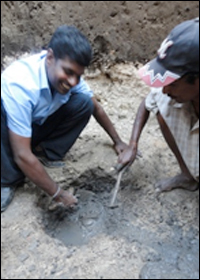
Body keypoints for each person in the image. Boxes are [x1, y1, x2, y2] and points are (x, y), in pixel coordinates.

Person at [1, 25, 128, 212]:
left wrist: (118, 141)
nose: (73, 82)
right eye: (68, 72)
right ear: (50, 57)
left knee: (84, 102)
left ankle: (45, 153)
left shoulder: (69, 75)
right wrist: (58, 194)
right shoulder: (21, 85)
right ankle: (6, 180)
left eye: (79, 75)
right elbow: (22, 154)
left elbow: (96, 108)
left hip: (33, 125)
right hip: (8, 130)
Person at [118, 17, 199, 192]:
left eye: (173, 83)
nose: (164, 90)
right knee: (162, 107)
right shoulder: (171, 93)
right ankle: (188, 175)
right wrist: (133, 144)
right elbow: (147, 103)